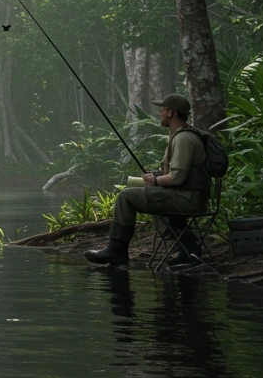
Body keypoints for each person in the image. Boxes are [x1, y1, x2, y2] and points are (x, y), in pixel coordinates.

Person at [84, 94, 210, 267]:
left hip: (189, 198)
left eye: (163, 109)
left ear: (172, 113)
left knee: (126, 197)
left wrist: (156, 181)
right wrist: (156, 175)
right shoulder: (178, 136)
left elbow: (177, 177)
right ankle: (189, 247)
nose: (160, 112)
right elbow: (177, 173)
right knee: (148, 196)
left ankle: (116, 251)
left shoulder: (183, 139)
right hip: (185, 195)